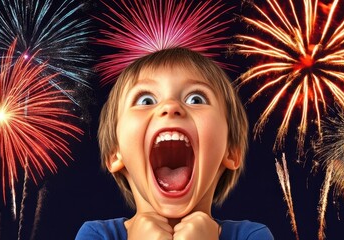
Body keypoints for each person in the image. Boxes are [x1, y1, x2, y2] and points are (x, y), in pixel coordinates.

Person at [76, 48, 273, 239]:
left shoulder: (252, 235)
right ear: (115, 153)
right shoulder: (96, 235)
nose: (170, 106)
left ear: (230, 151)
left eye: (196, 99)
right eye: (146, 100)